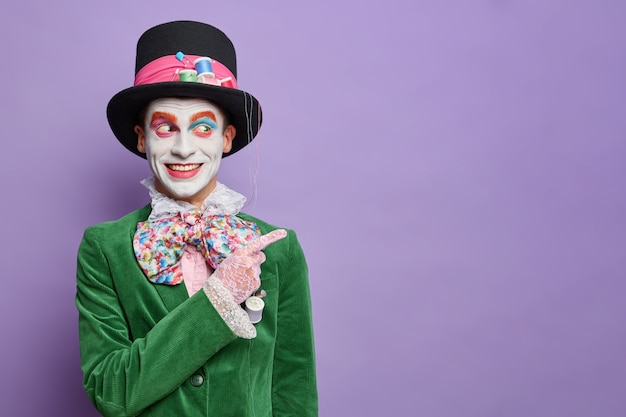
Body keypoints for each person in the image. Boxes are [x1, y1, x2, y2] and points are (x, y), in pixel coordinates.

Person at [75, 21, 317, 417]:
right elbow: (111, 392)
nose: (183, 148)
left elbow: (294, 390)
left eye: (203, 127)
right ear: (142, 139)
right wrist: (218, 299)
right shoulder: (104, 247)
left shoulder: (279, 247)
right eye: (165, 127)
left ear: (226, 137)